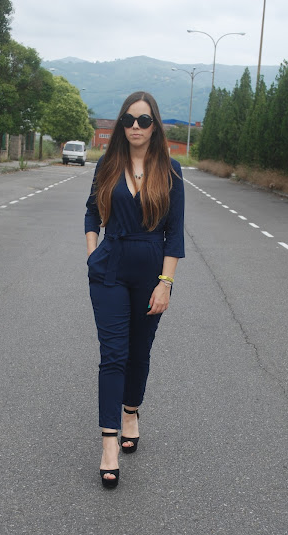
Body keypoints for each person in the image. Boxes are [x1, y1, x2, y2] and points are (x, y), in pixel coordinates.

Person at [85, 91, 185, 488]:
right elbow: (92, 211)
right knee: (113, 355)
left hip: (150, 273)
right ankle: (109, 441)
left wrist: (166, 283)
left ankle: (131, 412)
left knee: (139, 351)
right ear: (121, 125)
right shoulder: (108, 164)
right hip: (109, 270)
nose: (136, 127)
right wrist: (92, 254)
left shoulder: (171, 170)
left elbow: (175, 233)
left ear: (155, 125)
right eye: (128, 120)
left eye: (144, 120)